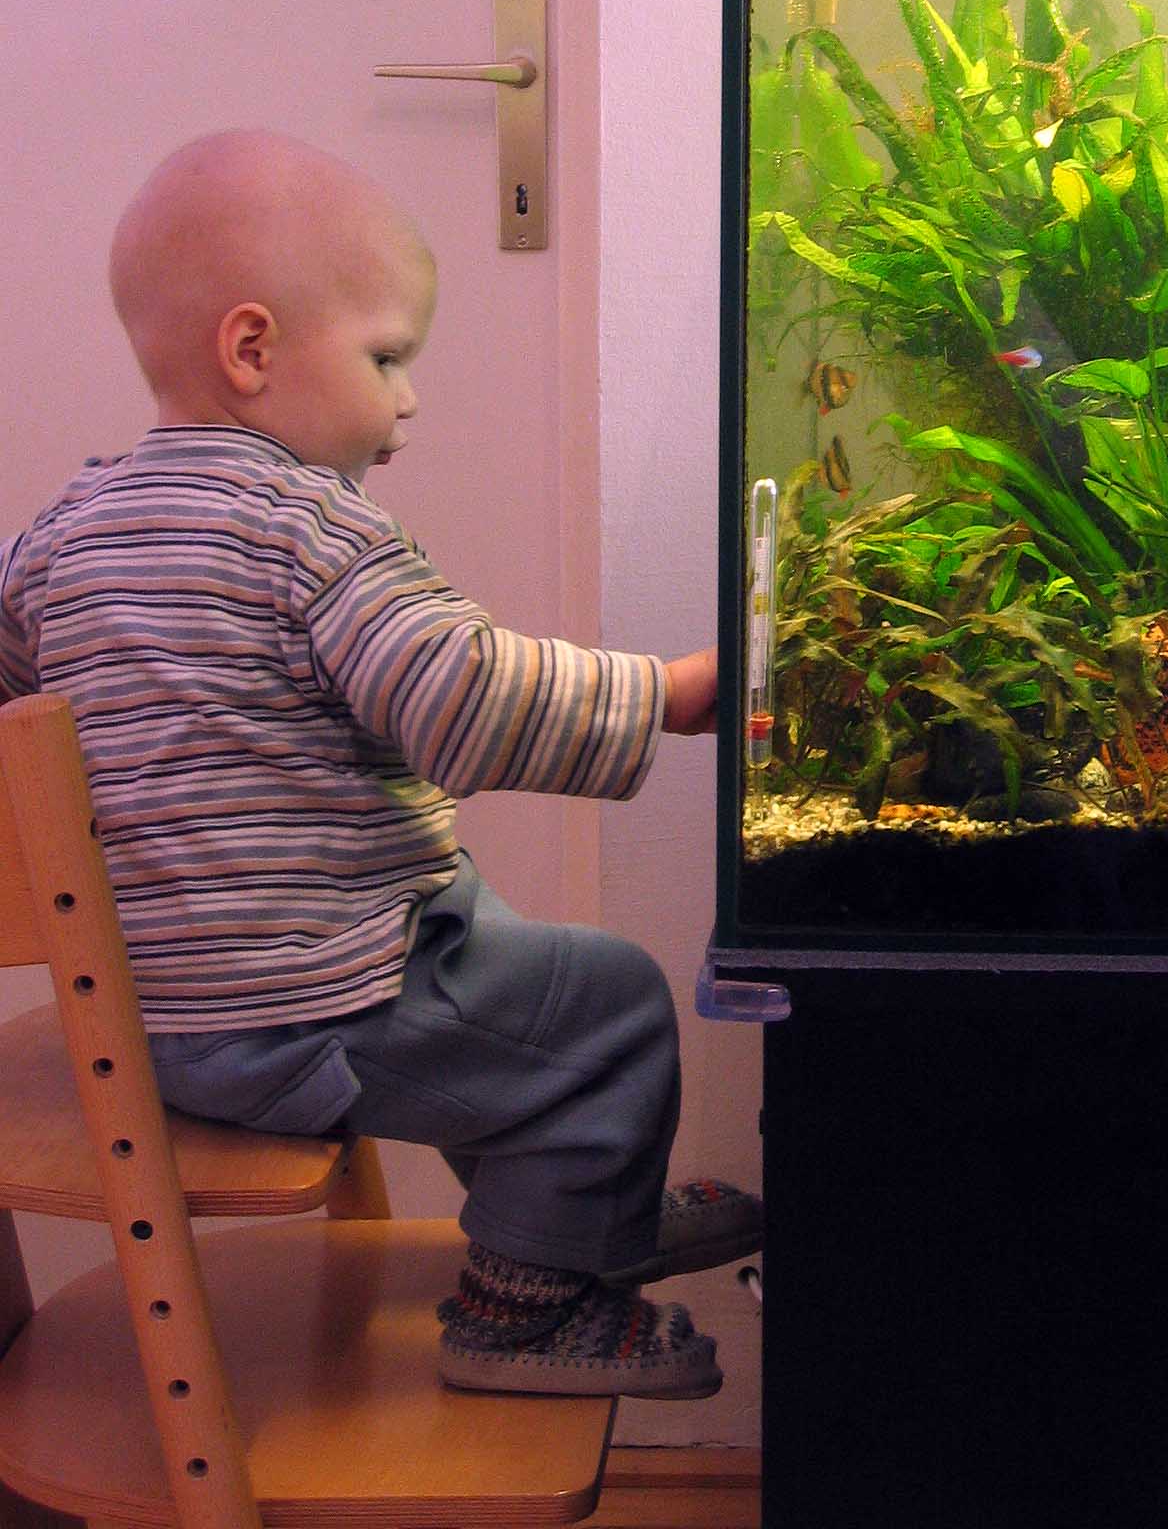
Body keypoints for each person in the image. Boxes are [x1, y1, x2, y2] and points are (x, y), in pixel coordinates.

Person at [0, 129, 758, 1400]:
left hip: (155, 1012)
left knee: (472, 915)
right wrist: (666, 695)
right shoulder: (307, 529)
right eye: (388, 357)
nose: (409, 400)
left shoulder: (59, 535)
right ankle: (526, 1310)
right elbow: (459, 699)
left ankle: (588, 1202)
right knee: (608, 1006)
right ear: (252, 350)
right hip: (304, 1009)